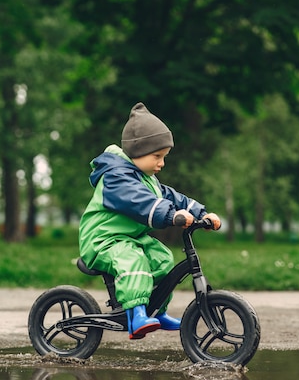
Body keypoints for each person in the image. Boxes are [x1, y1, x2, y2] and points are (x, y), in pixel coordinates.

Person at [78, 102, 221, 340]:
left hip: (129, 238)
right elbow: (140, 202)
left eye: (164, 157)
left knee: (162, 258)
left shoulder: (147, 179)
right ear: (137, 151)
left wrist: (201, 213)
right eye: (157, 156)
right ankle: (136, 316)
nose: (161, 163)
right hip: (102, 241)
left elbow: (171, 196)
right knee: (132, 259)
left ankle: (157, 310)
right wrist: (170, 215)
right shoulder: (116, 179)